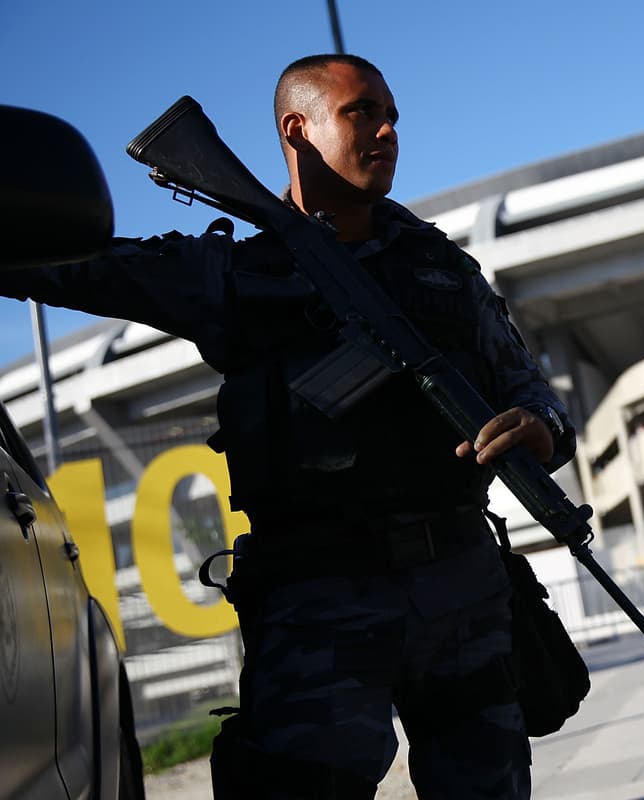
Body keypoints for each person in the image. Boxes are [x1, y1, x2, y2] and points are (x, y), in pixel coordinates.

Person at [0, 54, 574, 798]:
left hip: (459, 584)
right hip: (318, 596)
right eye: (362, 111)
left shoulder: (446, 272)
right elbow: (68, 264)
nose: (389, 128)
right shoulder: (235, 273)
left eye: (392, 111)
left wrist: (541, 429)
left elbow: (536, 395)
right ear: (297, 130)